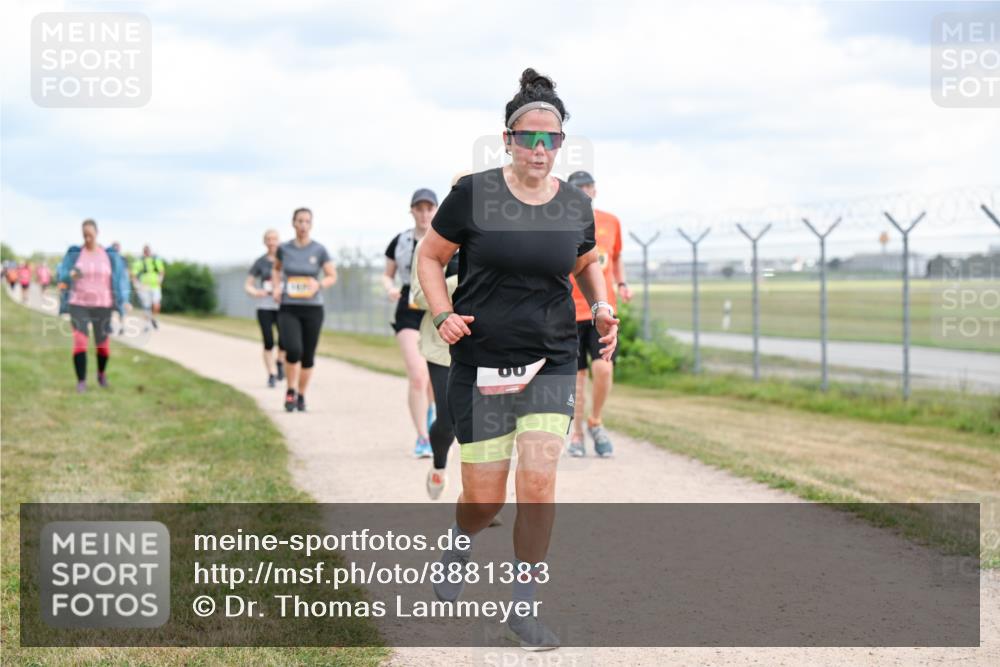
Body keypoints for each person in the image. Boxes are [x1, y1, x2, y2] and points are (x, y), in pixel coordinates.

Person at [417, 68, 618, 650]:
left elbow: (585, 260)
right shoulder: (474, 194)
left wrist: (600, 305)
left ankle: (523, 608)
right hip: (481, 359)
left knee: (538, 480)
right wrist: (441, 313)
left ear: (560, 145)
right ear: (507, 139)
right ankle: (459, 540)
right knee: (484, 499)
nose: (538, 148)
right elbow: (432, 257)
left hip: (551, 357)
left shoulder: (575, 204)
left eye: (549, 139)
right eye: (527, 137)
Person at [565, 171, 631, 458]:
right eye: (577, 188)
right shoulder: (561, 221)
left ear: (594, 190)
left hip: (602, 308)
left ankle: (596, 421)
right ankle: (577, 434)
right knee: (577, 377)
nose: (583, 192)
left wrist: (622, 282)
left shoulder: (610, 221)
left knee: (603, 368)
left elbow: (615, 257)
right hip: (570, 309)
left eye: (587, 187)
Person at [410, 178, 465, 498]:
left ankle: (475, 497)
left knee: (484, 424)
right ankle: (439, 464)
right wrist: (465, 282)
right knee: (448, 421)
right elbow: (418, 295)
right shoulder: (432, 242)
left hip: (487, 345)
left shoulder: (493, 239)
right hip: (442, 346)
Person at [383, 188, 438, 458]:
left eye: (429, 208)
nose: (424, 213)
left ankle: (433, 420)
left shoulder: (446, 238)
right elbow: (387, 275)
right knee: (418, 375)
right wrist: (389, 288)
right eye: (420, 208)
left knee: (434, 379)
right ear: (412, 211)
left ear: (436, 210)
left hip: (437, 306)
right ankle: (422, 438)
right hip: (408, 306)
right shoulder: (400, 241)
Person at [271, 208, 337, 412]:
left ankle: (301, 395)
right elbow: (276, 269)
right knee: (293, 349)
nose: (303, 225)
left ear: (311, 224)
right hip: (289, 307)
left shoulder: (319, 250)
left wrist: (319, 284)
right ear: (293, 223)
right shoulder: (284, 248)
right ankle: (290, 390)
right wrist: (275, 287)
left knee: (308, 355)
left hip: (313, 308)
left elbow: (331, 275)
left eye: (307, 221)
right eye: (299, 221)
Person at [56, 219, 131, 392]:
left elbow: (120, 280)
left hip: (103, 305)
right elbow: (62, 275)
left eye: (90, 235)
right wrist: (71, 275)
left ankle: (101, 374)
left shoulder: (109, 256)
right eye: (84, 235)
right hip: (78, 304)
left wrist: (124, 300)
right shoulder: (75, 254)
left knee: (103, 347)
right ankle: (81, 381)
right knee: (80, 342)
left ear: (97, 233)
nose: (87, 238)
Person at [246, 229, 286, 387]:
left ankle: (280, 362)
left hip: (283, 306)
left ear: (279, 241)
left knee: (285, 340)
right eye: (268, 239)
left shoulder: (286, 260)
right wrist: (256, 291)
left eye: (274, 239)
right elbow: (248, 285)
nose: (272, 242)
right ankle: (271, 374)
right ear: (265, 242)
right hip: (265, 306)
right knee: (268, 341)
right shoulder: (260, 262)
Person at [131, 245, 165, 331]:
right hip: (144, 286)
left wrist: (160, 280)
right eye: (145, 251)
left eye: (148, 251)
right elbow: (133, 274)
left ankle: (153, 318)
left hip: (155, 286)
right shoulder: (139, 262)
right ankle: (146, 325)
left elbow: (161, 271)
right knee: (146, 306)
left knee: (156, 304)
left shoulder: (155, 260)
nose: (147, 253)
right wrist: (136, 285)